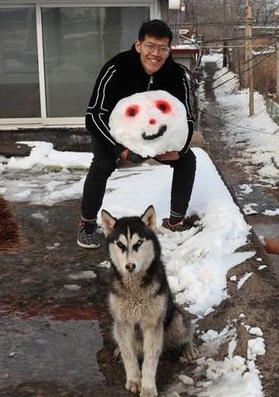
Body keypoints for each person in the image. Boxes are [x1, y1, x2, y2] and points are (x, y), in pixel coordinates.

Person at [78, 19, 197, 249]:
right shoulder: (116, 67)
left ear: (169, 50)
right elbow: (93, 115)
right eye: (150, 46)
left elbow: (187, 117)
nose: (156, 53)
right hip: (114, 135)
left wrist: (178, 149)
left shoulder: (176, 74)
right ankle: (87, 224)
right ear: (138, 45)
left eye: (163, 48)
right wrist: (118, 149)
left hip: (158, 137)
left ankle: (175, 221)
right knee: (102, 164)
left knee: (187, 159)